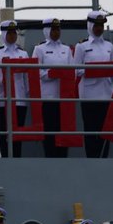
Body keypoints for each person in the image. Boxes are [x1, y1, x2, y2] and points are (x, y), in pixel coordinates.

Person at [73, 10, 113, 158]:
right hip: (89, 94)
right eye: (96, 25)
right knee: (91, 129)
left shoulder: (109, 46)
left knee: (105, 129)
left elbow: (112, 68)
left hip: (106, 92)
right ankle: (92, 157)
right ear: (90, 25)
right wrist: (92, 70)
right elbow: (76, 70)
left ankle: (104, 156)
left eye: (101, 25)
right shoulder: (82, 46)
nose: (99, 28)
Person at [32, 16, 73, 158]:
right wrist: (54, 73)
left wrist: (62, 74)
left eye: (58, 29)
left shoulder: (66, 49)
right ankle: (50, 157)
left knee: (63, 130)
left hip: (64, 98)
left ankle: (63, 157)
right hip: (48, 97)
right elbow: (37, 72)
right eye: (53, 29)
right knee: (50, 130)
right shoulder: (39, 49)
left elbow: (72, 70)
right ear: (47, 30)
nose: (56, 32)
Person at [0, 20, 31, 158]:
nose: (13, 36)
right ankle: (6, 157)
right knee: (4, 132)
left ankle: (17, 158)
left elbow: (27, 76)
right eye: (10, 33)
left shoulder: (23, 53)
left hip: (20, 99)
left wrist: (29, 94)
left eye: (14, 33)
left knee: (18, 133)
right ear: (4, 34)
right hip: (3, 99)